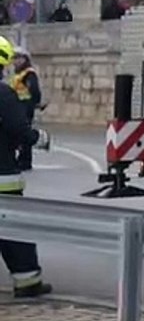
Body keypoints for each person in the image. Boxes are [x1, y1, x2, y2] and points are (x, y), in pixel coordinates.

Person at [0, 36, 52, 298]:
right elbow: (18, 129)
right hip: (3, 178)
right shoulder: (3, 93)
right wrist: (39, 138)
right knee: (14, 232)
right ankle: (27, 282)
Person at [7, 47, 42, 171]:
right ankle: (22, 159)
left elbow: (34, 91)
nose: (15, 61)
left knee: (23, 132)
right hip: (18, 106)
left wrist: (33, 104)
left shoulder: (28, 73)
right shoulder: (18, 74)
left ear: (25, 59)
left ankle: (25, 161)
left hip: (25, 106)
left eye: (18, 58)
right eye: (14, 58)